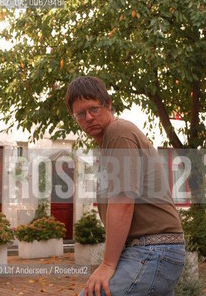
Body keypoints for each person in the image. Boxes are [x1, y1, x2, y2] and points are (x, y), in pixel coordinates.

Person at [65, 76, 185, 296]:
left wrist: (108, 265)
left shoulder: (118, 132)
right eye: (80, 114)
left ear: (108, 104)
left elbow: (122, 202)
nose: (89, 117)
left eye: (94, 109)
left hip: (152, 251)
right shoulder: (110, 142)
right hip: (155, 251)